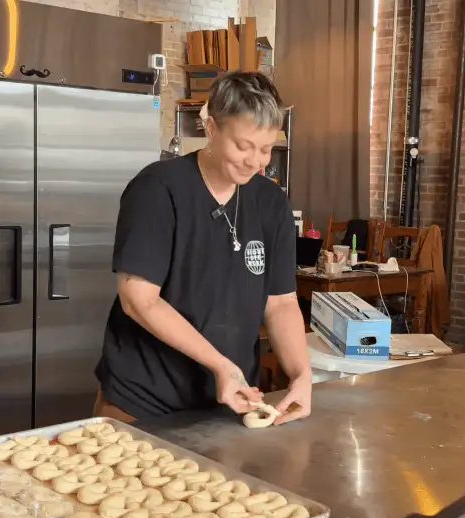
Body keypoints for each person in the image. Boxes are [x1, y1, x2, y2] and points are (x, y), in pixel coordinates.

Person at [94, 71, 312, 425]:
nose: (256, 161)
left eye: (266, 149)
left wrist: (301, 374)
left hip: (228, 404)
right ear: (211, 129)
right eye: (243, 146)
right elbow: (139, 300)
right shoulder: (157, 190)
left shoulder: (271, 203)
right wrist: (220, 365)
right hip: (144, 402)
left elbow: (281, 303)